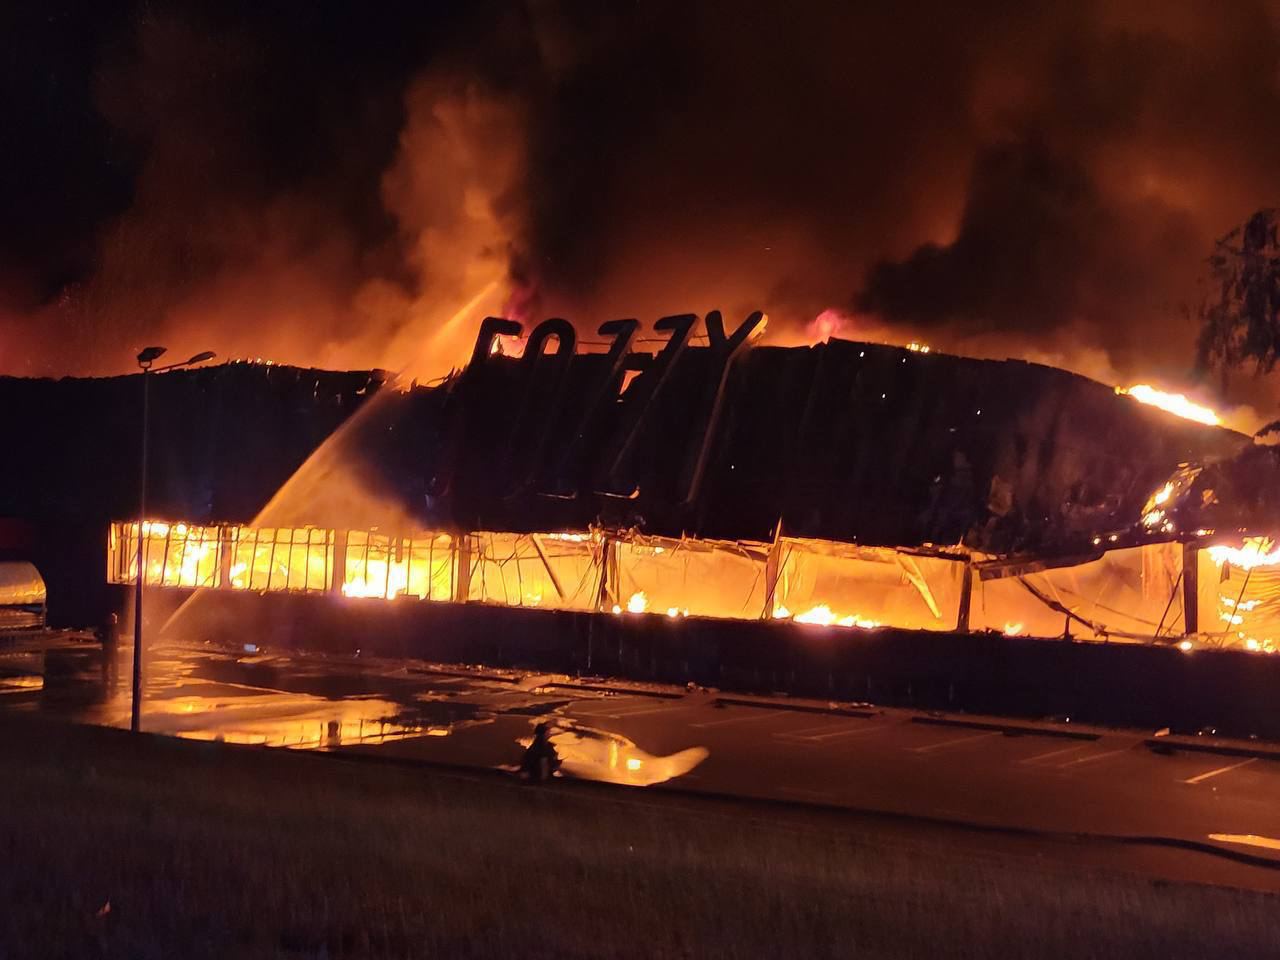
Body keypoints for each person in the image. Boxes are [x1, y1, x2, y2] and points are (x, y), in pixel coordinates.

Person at [98, 612, 119, 688]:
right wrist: (102, 639)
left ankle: (113, 677)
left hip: (112, 648)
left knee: (113, 663)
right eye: (113, 620)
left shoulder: (114, 628)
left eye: (114, 620)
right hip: (107, 648)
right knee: (106, 663)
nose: (114, 621)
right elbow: (97, 633)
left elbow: (116, 638)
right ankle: (106, 677)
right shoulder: (106, 628)